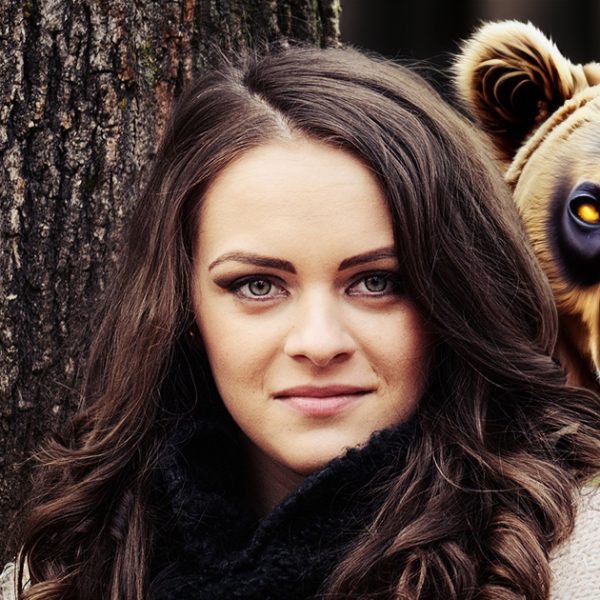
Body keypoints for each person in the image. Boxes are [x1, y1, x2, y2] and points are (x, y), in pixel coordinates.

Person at [3, 45, 600, 600]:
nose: (318, 343)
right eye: (257, 286)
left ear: (456, 301)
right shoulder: (63, 570)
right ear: (183, 308)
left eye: (377, 282)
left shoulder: (575, 561)